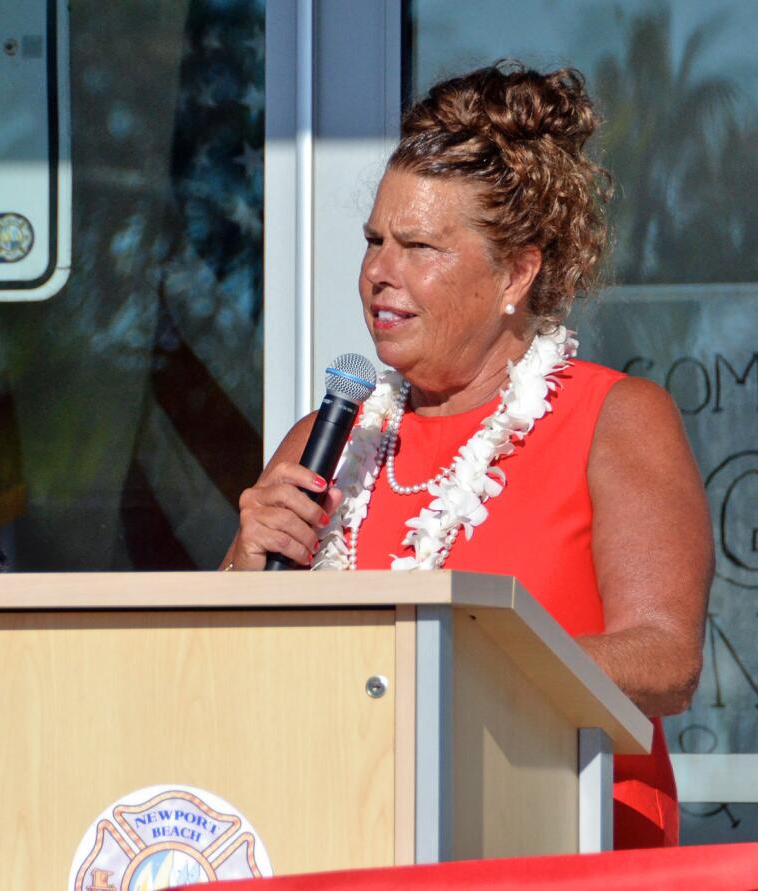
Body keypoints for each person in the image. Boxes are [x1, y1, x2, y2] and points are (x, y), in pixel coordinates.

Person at [220, 62, 712, 848]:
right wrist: (247, 562)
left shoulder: (613, 418)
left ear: (517, 271)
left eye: (418, 246)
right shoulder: (329, 440)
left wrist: (436, 667)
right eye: (375, 241)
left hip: (567, 841)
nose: (380, 272)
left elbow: (664, 657)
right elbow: (213, 664)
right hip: (345, 834)